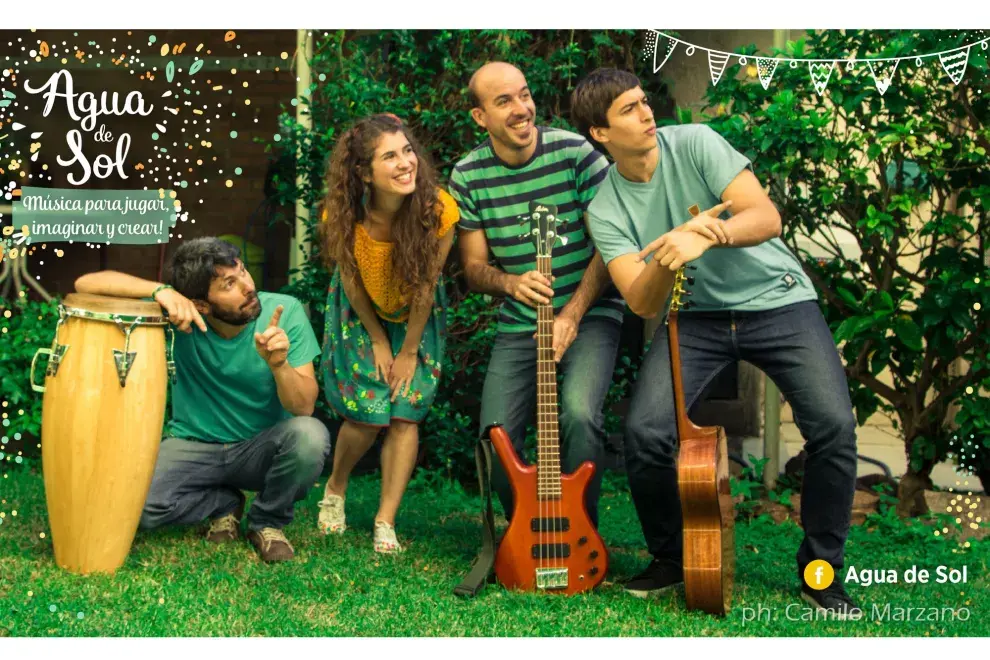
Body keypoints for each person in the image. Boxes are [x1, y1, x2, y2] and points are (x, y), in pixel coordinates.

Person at [571, 68, 860, 617]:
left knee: (834, 427)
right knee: (645, 431)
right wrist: (667, 254)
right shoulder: (606, 209)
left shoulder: (697, 143)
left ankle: (820, 572)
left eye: (642, 101)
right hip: (695, 318)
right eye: (628, 110)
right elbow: (641, 300)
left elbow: (765, 216)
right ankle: (672, 557)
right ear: (599, 135)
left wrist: (707, 233)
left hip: (778, 300)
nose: (646, 113)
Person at [74, 237, 331, 563]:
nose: (247, 286)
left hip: (260, 447)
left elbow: (303, 407)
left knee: (310, 435)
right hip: (193, 445)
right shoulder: (178, 315)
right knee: (137, 509)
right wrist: (160, 291)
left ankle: (267, 522)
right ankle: (223, 504)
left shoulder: (285, 311)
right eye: (229, 284)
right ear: (202, 305)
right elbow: (86, 284)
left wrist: (279, 364)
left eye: (243, 273)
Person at [448, 62, 623, 529]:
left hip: (589, 313)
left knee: (579, 414)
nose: (522, 108)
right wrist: (510, 283)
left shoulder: (574, 153)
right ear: (479, 117)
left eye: (524, 95)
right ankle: (525, 531)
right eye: (504, 101)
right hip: (520, 322)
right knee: (495, 434)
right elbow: (473, 268)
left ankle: (582, 532)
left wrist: (571, 314)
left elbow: (612, 246)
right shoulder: (468, 175)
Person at [316, 113, 458, 553]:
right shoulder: (341, 215)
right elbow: (353, 282)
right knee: (366, 411)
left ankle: (385, 521)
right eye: (390, 156)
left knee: (404, 410)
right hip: (359, 311)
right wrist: (378, 339)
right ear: (363, 172)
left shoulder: (438, 210)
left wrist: (409, 350)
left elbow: (426, 287)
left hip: (416, 314)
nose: (405, 163)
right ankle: (336, 489)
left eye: (408, 151)